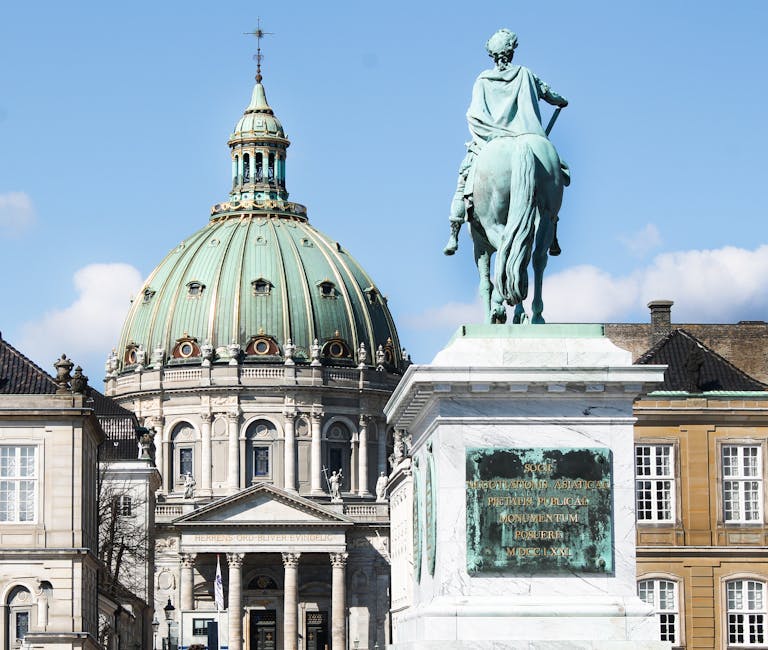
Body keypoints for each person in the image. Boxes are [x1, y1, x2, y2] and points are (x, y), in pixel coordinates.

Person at [443, 28, 569, 256]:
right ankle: (553, 230)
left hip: (491, 139)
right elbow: (551, 95)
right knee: (557, 171)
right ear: (511, 52)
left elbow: (474, 113)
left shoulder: (483, 79)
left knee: (463, 182)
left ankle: (454, 232)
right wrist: (561, 101)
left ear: (492, 54)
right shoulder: (526, 74)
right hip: (528, 136)